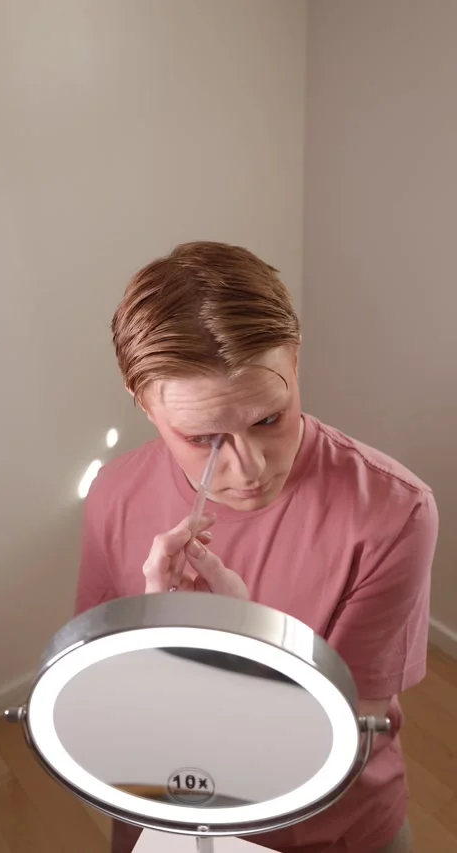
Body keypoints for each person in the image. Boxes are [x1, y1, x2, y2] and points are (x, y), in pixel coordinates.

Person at [75, 241, 438, 853]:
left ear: (294, 361)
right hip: (164, 817)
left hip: (329, 831)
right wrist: (159, 642)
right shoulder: (114, 495)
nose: (250, 469)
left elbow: (342, 737)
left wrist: (243, 649)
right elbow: (100, 694)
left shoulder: (393, 512)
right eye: (203, 438)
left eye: (269, 419)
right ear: (143, 402)